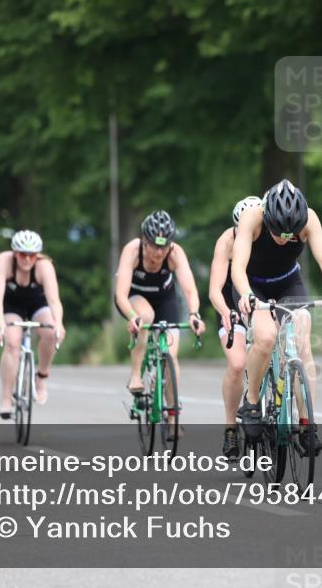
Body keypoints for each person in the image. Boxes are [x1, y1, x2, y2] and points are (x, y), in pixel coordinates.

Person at [231, 179, 322, 456]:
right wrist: (247, 295)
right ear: (267, 218)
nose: (284, 238)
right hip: (253, 284)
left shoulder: (309, 220)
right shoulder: (252, 217)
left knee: (302, 339)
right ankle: (251, 401)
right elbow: (237, 267)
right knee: (266, 336)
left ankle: (307, 424)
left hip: (288, 283)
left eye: (290, 234)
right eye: (278, 233)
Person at [115, 210, 205, 438]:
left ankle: (173, 417)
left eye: (164, 247)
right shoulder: (132, 251)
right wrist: (131, 316)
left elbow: (190, 290)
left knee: (170, 359)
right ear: (144, 241)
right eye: (154, 246)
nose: (158, 253)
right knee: (145, 317)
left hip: (165, 300)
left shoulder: (175, 254)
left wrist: (194, 314)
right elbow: (120, 295)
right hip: (135, 299)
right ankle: (136, 375)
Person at [0, 230, 66, 419]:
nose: (27, 259)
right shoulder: (3, 261)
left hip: (37, 304)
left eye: (32, 255)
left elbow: (54, 300)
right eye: (22, 254)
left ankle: (41, 377)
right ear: (15, 253)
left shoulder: (44, 266)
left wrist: (59, 324)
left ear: (37, 255)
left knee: (50, 332)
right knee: (13, 342)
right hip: (12, 305)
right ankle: (7, 399)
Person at [208, 195, 263, 458]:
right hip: (233, 307)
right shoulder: (226, 241)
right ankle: (230, 428)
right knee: (238, 363)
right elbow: (215, 290)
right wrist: (226, 312)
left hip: (261, 304)